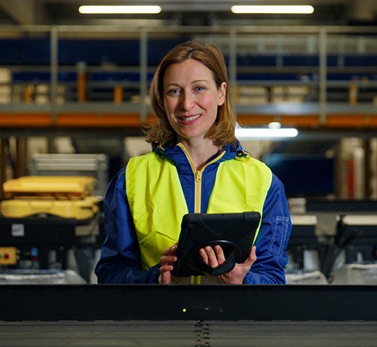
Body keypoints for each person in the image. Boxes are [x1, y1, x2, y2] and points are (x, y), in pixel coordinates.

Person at [95, 40, 292, 284]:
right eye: (174, 91)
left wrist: (242, 282)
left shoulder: (264, 182)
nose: (186, 104)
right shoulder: (131, 179)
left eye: (199, 88)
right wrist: (155, 279)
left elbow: (273, 278)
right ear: (162, 100)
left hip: (231, 320)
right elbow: (110, 274)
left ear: (221, 93)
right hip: (161, 320)